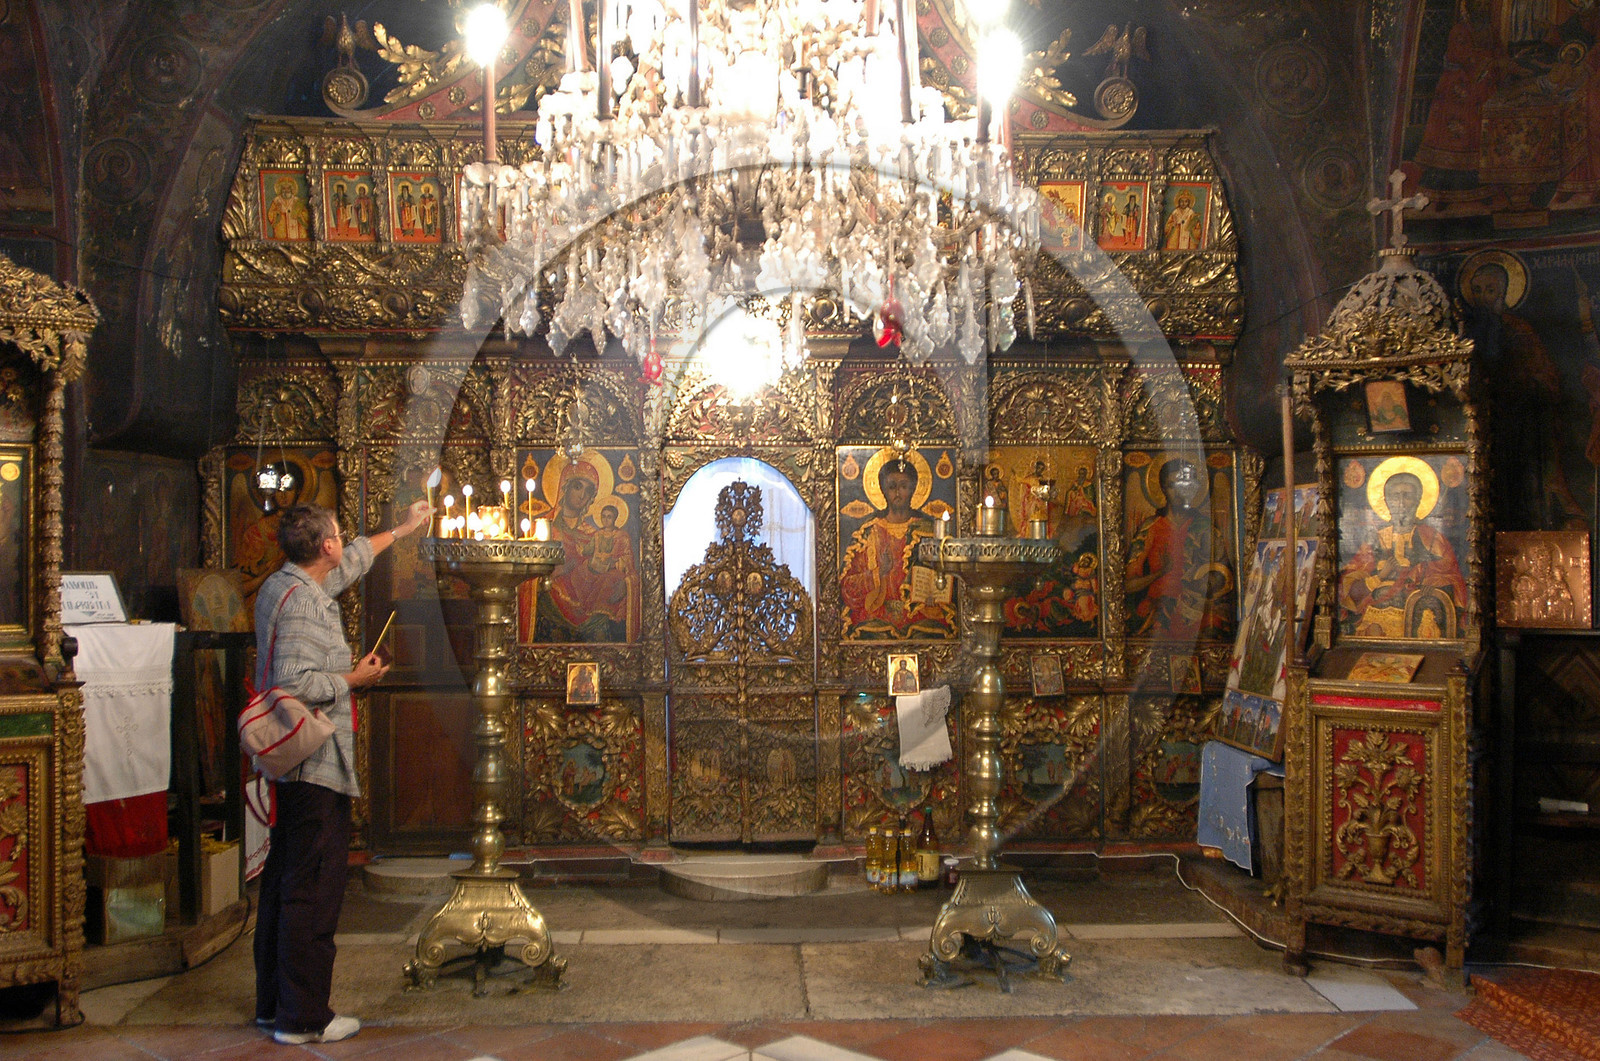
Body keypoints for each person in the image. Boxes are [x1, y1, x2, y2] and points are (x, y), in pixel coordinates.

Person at [252, 499, 430, 1045]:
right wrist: (353, 680)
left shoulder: (284, 585)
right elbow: (295, 682)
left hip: (293, 766)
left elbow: (351, 561)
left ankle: (274, 1005)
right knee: (313, 887)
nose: (344, 540)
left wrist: (402, 530)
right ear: (323, 546)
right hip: (314, 764)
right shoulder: (305, 604)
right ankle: (304, 1018)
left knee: (285, 881)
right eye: (338, 534)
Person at [1337, 465, 1467, 639]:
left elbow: (1452, 577)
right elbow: (1349, 586)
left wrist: (1423, 576)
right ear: (1387, 501)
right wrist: (1381, 576)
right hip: (1377, 611)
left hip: (1419, 608)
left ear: (1418, 500)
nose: (1401, 502)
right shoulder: (1376, 539)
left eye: (1407, 496)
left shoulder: (1432, 537)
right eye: (1395, 496)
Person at [839, 456, 953, 639]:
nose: (898, 493)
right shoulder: (868, 533)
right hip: (877, 612)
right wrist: (878, 574)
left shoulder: (928, 531)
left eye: (903, 486)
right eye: (892, 487)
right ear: (883, 490)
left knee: (933, 633)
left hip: (921, 612)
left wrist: (935, 594)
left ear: (913, 489)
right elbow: (847, 587)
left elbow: (947, 571)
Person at [1124, 457, 1235, 639]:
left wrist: (1205, 585)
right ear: (1163, 489)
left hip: (1198, 607)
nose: (1178, 492)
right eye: (1171, 486)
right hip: (1158, 607)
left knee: (1216, 627)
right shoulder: (1151, 528)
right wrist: (1160, 573)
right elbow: (1128, 585)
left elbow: (1224, 578)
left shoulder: (1205, 528)